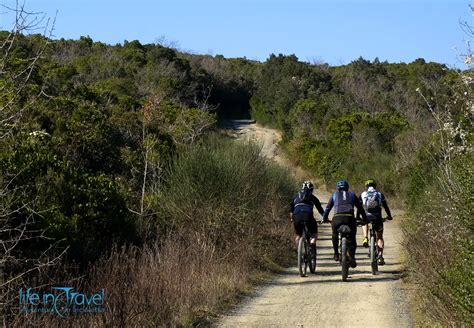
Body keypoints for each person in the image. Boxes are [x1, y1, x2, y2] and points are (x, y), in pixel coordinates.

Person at [322, 180, 366, 268]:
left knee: (334, 234)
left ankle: (336, 254)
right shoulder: (352, 195)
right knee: (352, 237)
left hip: (337, 218)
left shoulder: (334, 195)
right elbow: (360, 208)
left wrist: (324, 218)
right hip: (349, 218)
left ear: (338, 188)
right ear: (347, 187)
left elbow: (328, 208)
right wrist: (364, 219)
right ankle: (352, 256)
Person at [357, 179, 393, 265]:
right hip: (377, 217)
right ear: (375, 186)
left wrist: (358, 217)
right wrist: (389, 216)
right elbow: (386, 207)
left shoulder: (363, 194)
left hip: (367, 216)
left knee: (364, 222)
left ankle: (365, 237)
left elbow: (359, 207)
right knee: (379, 237)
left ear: (366, 187)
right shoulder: (380, 194)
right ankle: (380, 255)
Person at [290, 181, 325, 247]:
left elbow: (291, 210)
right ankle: (312, 243)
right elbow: (320, 210)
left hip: (296, 216)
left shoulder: (295, 196)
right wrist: (325, 218)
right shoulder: (313, 197)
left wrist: (292, 219)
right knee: (314, 234)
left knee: (298, 236)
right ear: (311, 189)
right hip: (308, 216)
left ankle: (298, 252)